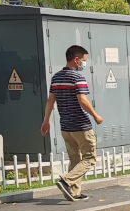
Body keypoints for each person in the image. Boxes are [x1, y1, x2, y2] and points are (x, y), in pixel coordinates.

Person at [41, 45, 103, 201]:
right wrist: (95, 115)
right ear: (76, 60)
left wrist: (46, 120)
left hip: (66, 127)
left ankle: (74, 192)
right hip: (80, 125)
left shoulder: (56, 77)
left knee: (75, 159)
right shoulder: (77, 78)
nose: (84, 64)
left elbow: (50, 101)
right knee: (90, 158)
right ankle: (66, 180)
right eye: (83, 61)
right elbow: (82, 100)